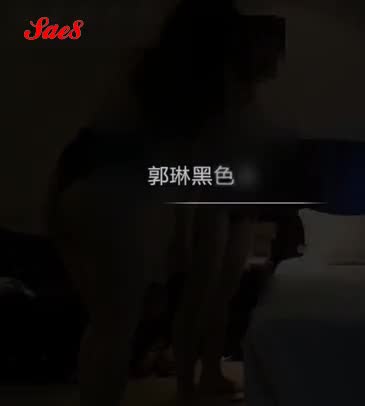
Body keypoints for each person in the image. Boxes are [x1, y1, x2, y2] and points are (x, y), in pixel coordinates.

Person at [47, 0, 284, 404]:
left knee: (106, 326)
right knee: (115, 328)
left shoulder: (142, 69)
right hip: (120, 200)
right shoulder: (210, 90)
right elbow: (188, 165)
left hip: (74, 189)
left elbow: (94, 146)